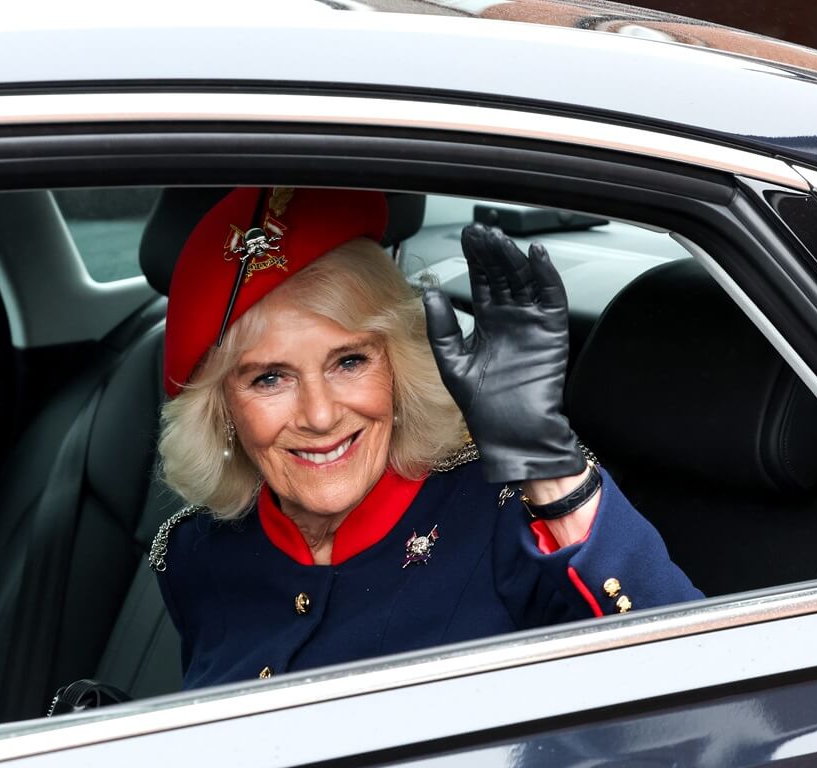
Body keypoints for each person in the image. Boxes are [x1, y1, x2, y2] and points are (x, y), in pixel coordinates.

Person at [150, 187, 701, 689]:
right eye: (270, 378)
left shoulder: (507, 519)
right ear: (220, 408)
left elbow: (701, 684)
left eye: (349, 362)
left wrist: (546, 460)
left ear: (399, 366)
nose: (319, 416)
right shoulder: (197, 554)